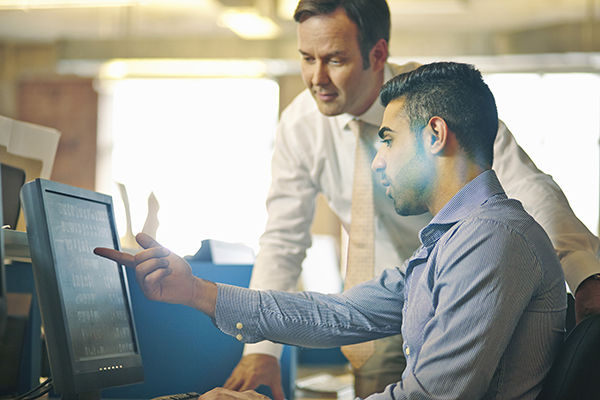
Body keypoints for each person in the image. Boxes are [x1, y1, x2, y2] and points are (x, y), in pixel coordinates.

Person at [95, 61, 568, 400]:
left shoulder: (491, 239)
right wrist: (196, 290)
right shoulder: (452, 240)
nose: (378, 159)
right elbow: (337, 316)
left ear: (435, 135)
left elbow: (432, 396)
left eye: (387, 140)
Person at [222, 0, 600, 398]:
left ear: (377, 53)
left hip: (474, 280)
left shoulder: (434, 103)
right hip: (393, 298)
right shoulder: (301, 125)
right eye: (306, 58)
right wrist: (261, 348)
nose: (317, 78)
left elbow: (528, 190)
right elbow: (283, 240)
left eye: (335, 59)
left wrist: (586, 275)